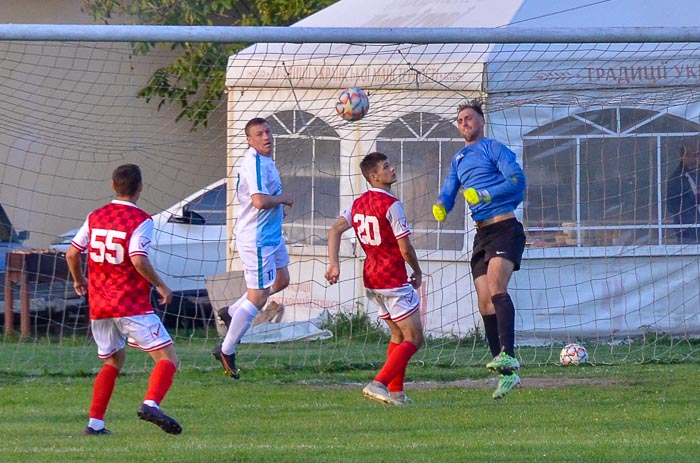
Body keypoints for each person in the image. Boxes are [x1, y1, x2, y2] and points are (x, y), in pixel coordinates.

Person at [66, 164, 182, 435]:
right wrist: (162, 286)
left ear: (112, 186)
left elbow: (72, 254)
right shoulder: (141, 220)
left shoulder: (95, 216)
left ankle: (95, 424)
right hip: (131, 304)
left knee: (114, 361)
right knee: (168, 359)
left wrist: (78, 280)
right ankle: (151, 404)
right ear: (140, 187)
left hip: (99, 306)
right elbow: (138, 258)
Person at [432, 99, 527, 400]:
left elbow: (517, 181)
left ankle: (509, 355)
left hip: (505, 228)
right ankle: (506, 374)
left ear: (481, 122)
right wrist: (441, 206)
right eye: (460, 120)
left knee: (498, 289)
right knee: (485, 304)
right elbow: (450, 189)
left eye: (469, 118)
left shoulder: (493, 149)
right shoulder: (458, 159)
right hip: (482, 234)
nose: (464, 124)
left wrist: (485, 194)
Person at [326, 152, 424, 406]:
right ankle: (378, 383)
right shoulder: (392, 204)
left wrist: (334, 263)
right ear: (373, 176)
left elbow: (335, 229)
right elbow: (405, 248)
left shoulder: (359, 203)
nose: (392, 169)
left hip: (370, 278)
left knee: (397, 335)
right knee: (414, 338)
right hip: (392, 278)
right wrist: (417, 270)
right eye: (385, 167)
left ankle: (397, 394)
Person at [212, 117, 294, 379]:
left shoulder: (267, 160)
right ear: (249, 140)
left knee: (281, 280)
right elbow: (259, 201)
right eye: (259, 134)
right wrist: (283, 200)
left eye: (268, 132)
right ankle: (227, 349)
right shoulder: (253, 162)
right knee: (258, 298)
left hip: (271, 235)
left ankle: (232, 311)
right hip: (256, 239)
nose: (266, 137)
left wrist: (279, 210)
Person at [666, 141, 700, 243]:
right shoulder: (676, 179)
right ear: (682, 157)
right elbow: (671, 207)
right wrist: (695, 197)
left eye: (696, 155)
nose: (692, 159)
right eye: (688, 155)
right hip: (689, 234)